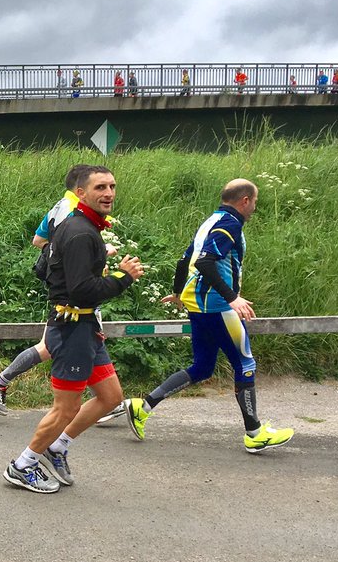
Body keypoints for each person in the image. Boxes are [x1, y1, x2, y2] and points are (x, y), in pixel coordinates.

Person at [123, 179, 294, 454]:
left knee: (202, 367)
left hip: (198, 304)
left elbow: (185, 260)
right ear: (245, 201)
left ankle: (142, 407)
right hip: (217, 306)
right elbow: (204, 261)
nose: (255, 208)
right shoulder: (230, 224)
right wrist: (232, 297)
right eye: (256, 203)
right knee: (245, 363)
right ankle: (255, 433)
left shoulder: (211, 220)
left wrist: (179, 293)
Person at [3, 166, 144, 494]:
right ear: (80, 193)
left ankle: (57, 447)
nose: (108, 193)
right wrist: (124, 277)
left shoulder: (83, 227)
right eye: (99, 187)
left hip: (85, 327)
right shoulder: (81, 232)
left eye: (111, 186)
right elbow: (83, 289)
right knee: (65, 408)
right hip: (72, 330)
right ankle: (22, 465)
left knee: (110, 397)